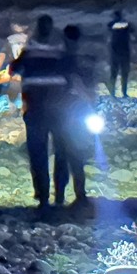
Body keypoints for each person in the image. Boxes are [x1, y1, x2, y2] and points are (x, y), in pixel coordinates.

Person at [11, 15, 68, 208]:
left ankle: (43, 196)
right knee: (61, 151)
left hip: (35, 108)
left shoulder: (29, 51)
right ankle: (60, 195)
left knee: (38, 152)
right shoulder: (61, 50)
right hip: (59, 109)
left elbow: (13, 69)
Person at [54, 24, 98, 206]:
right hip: (76, 110)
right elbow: (86, 88)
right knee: (76, 155)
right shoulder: (80, 61)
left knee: (61, 155)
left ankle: (59, 197)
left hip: (59, 110)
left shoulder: (58, 59)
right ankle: (80, 195)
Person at [107, 10, 133, 98]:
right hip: (124, 53)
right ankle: (124, 93)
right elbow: (132, 30)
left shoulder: (111, 25)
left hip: (115, 53)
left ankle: (112, 93)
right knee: (124, 74)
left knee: (114, 74)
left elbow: (109, 27)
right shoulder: (126, 25)